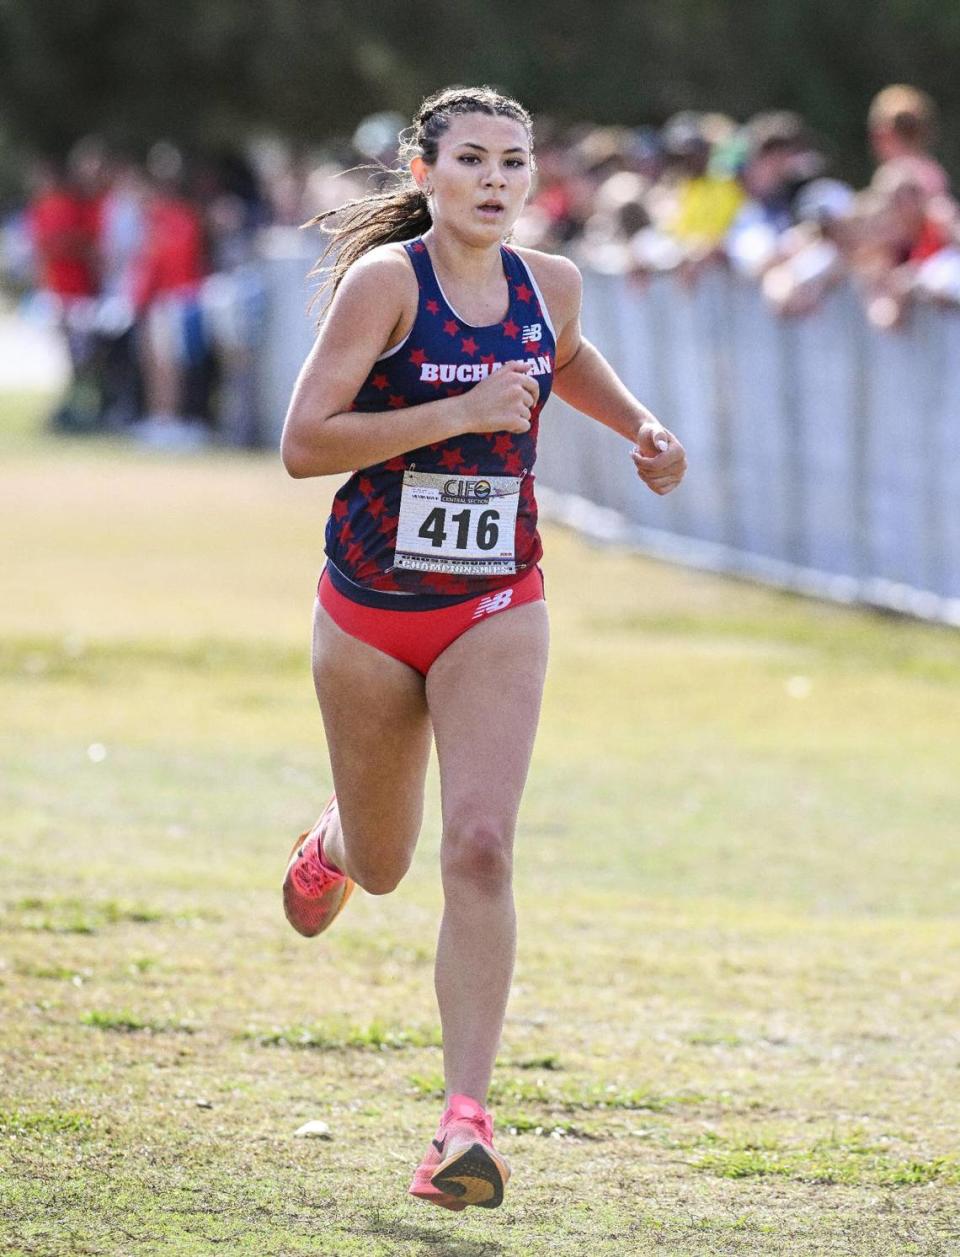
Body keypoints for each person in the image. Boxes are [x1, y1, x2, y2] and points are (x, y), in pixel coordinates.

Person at [279, 85, 686, 1213]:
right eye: (473, 160)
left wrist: (642, 427)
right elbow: (305, 443)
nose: (497, 180)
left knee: (483, 848)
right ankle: (335, 843)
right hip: (368, 610)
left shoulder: (548, 283)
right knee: (390, 857)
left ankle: (465, 1125)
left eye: (515, 161)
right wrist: (455, 415)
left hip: (497, 602)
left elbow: (566, 358)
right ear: (427, 174)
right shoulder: (385, 286)